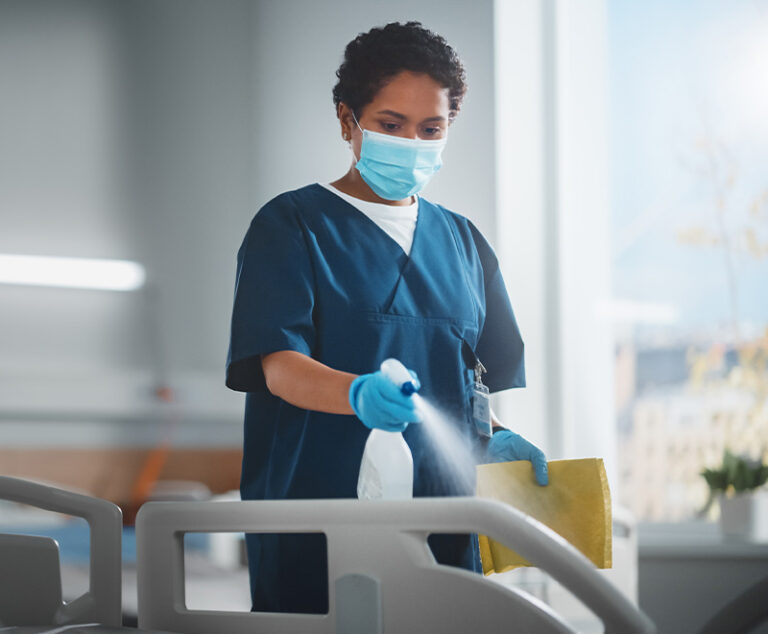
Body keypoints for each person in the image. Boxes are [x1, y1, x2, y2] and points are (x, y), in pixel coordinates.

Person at [226, 21, 549, 615]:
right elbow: (280, 367)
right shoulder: (292, 227)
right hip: (318, 519)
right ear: (348, 120)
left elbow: (466, 375)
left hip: (442, 522)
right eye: (390, 125)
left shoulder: (464, 243)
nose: (412, 143)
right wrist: (358, 394)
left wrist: (497, 438)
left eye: (431, 128)